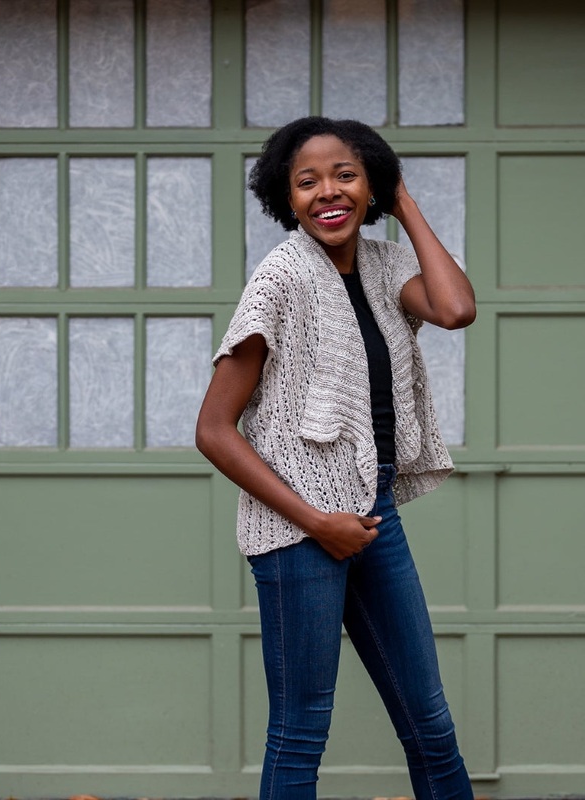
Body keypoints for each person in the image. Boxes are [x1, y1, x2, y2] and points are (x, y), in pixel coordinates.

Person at [196, 117, 477, 800]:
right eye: (307, 180)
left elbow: (456, 308)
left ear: (371, 183)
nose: (329, 191)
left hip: (372, 515)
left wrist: (401, 200)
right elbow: (214, 429)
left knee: (429, 723)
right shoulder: (281, 277)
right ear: (284, 197)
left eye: (347, 175)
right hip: (298, 529)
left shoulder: (385, 268)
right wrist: (317, 521)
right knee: (299, 734)